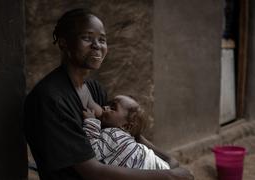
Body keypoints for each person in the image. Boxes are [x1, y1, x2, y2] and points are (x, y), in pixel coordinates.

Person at [24, 8, 194, 180]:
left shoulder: (93, 88)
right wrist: (169, 176)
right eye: (87, 38)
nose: (97, 45)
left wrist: (168, 160)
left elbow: (126, 132)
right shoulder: (52, 99)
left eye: (102, 40)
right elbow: (92, 172)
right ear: (64, 43)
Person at [83, 95, 173, 170]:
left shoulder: (113, 134)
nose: (105, 107)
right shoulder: (123, 136)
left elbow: (93, 152)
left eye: (113, 108)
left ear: (126, 126)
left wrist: (91, 122)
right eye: (108, 105)